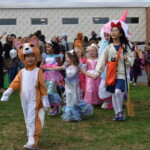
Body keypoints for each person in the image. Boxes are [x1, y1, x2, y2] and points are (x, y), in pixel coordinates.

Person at [1, 36, 50, 149]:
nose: (30, 58)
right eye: (27, 56)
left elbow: (42, 86)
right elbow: (15, 83)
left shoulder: (38, 71)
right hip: (24, 99)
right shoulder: (22, 72)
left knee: (32, 118)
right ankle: (31, 136)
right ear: (23, 57)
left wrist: (45, 98)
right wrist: (8, 92)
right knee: (27, 119)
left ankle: (32, 141)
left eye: (32, 55)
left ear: (36, 56)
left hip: (35, 99)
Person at [95, 21, 134, 121]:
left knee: (117, 92)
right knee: (113, 93)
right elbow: (102, 60)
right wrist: (97, 72)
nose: (112, 32)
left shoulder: (125, 46)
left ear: (120, 33)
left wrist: (127, 59)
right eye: (111, 30)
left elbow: (131, 60)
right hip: (111, 74)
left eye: (115, 30)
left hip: (121, 74)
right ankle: (116, 113)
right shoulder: (108, 47)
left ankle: (120, 111)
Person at [49, 50, 93, 122]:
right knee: (69, 100)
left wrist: (93, 75)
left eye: (67, 58)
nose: (66, 59)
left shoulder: (77, 67)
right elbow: (58, 68)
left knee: (75, 100)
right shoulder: (66, 66)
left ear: (72, 58)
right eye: (65, 58)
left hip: (75, 87)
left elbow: (86, 73)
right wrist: (48, 68)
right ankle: (69, 116)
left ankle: (77, 112)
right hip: (68, 86)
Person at [40, 40, 63, 115]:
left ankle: (56, 106)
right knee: (47, 92)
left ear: (53, 48)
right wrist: (43, 67)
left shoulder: (57, 56)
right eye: (46, 47)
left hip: (54, 75)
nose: (47, 48)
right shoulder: (45, 56)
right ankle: (54, 106)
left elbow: (60, 66)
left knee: (51, 91)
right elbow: (42, 65)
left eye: (49, 47)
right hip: (47, 75)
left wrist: (53, 66)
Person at [97, 23, 112, 109]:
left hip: (111, 68)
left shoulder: (114, 44)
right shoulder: (103, 43)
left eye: (108, 35)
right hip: (104, 68)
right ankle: (107, 99)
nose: (106, 37)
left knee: (110, 85)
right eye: (105, 35)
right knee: (102, 86)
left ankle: (112, 101)